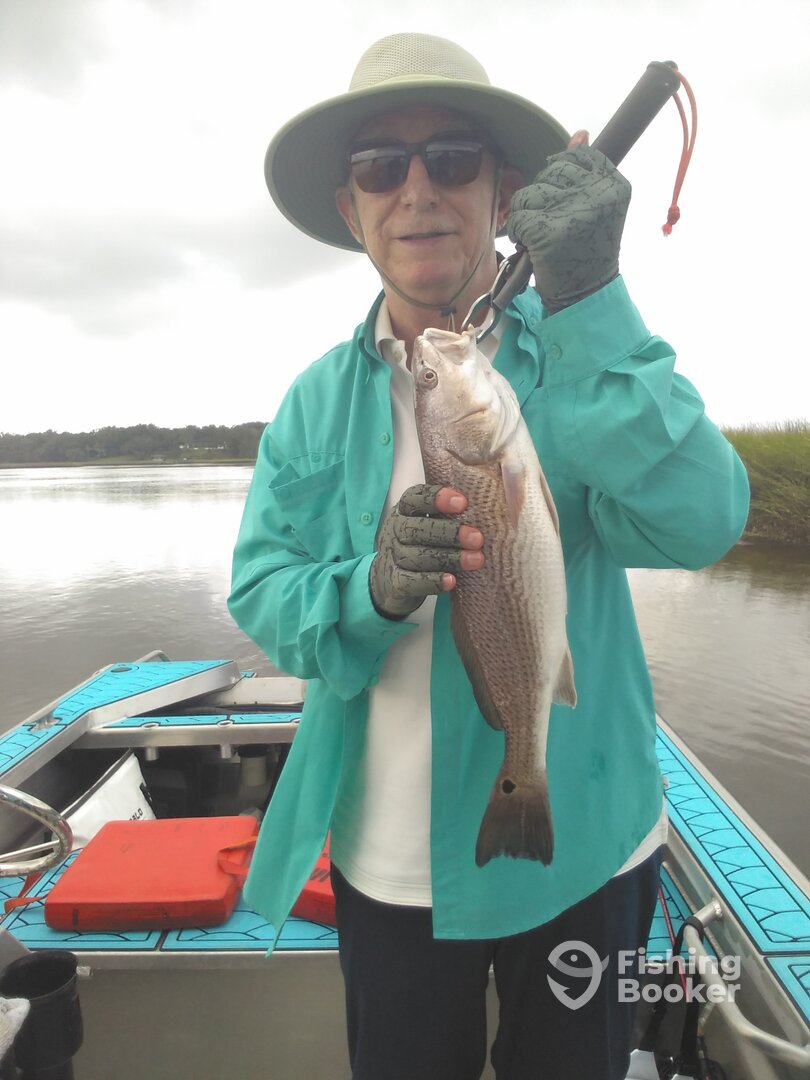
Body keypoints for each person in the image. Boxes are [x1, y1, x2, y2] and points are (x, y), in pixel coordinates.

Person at [228, 32, 750, 1080]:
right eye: (382, 166)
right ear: (352, 210)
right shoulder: (312, 403)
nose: (418, 190)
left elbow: (706, 520)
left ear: (505, 194)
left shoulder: (579, 357)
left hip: (587, 846)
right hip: (388, 868)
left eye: (454, 159)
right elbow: (262, 590)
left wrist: (591, 297)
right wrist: (370, 589)